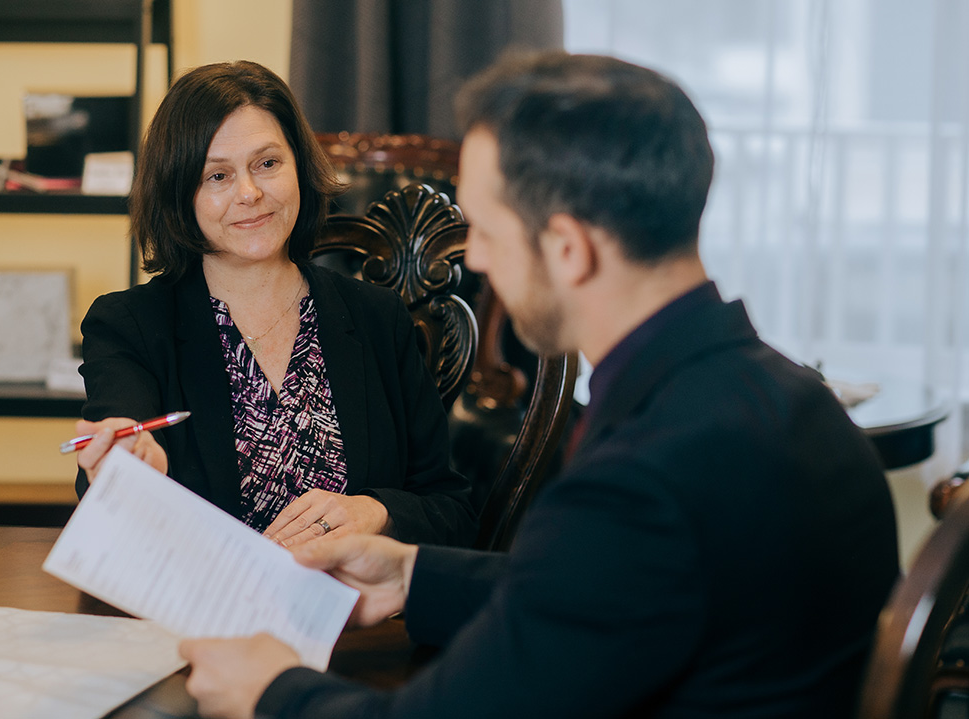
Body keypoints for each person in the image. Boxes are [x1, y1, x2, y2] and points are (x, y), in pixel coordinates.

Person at [177, 52, 901, 718]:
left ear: (567, 248)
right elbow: (619, 590)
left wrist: (271, 690)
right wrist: (412, 576)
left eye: (487, 229)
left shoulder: (641, 479)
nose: (479, 260)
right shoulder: (795, 404)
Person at [74, 61, 476, 547]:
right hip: (209, 615)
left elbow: (451, 509)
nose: (250, 193)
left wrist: (373, 511)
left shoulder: (377, 317)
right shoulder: (129, 325)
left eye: (267, 164)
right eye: (217, 176)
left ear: (300, 168)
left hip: (356, 614)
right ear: (180, 194)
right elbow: (113, 471)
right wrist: (128, 473)